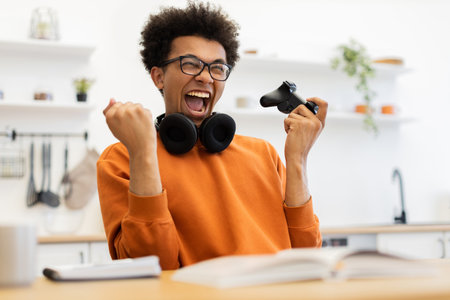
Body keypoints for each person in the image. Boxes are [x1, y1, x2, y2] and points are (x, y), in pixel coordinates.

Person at [97, 1, 328, 270]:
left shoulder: (263, 154)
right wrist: (143, 154)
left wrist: (298, 159)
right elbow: (151, 268)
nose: (206, 78)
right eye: (191, 64)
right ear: (159, 77)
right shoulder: (123, 158)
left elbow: (307, 258)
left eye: (217, 68)